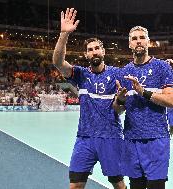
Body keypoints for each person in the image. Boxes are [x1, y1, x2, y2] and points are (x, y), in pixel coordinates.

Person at [52, 8, 126, 189]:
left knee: (118, 184)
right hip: (85, 138)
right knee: (75, 184)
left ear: (103, 52)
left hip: (111, 137)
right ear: (86, 55)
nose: (94, 52)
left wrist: (165, 64)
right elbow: (58, 62)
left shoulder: (117, 74)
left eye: (96, 49)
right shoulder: (80, 74)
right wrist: (64, 34)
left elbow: (121, 107)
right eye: (90, 50)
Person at [113, 26, 173, 189]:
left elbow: (172, 101)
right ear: (129, 44)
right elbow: (118, 110)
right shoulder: (124, 73)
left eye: (142, 37)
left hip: (156, 138)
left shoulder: (163, 67)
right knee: (136, 186)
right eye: (134, 39)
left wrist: (143, 92)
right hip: (132, 138)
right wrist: (120, 100)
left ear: (149, 42)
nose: (138, 41)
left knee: (156, 186)